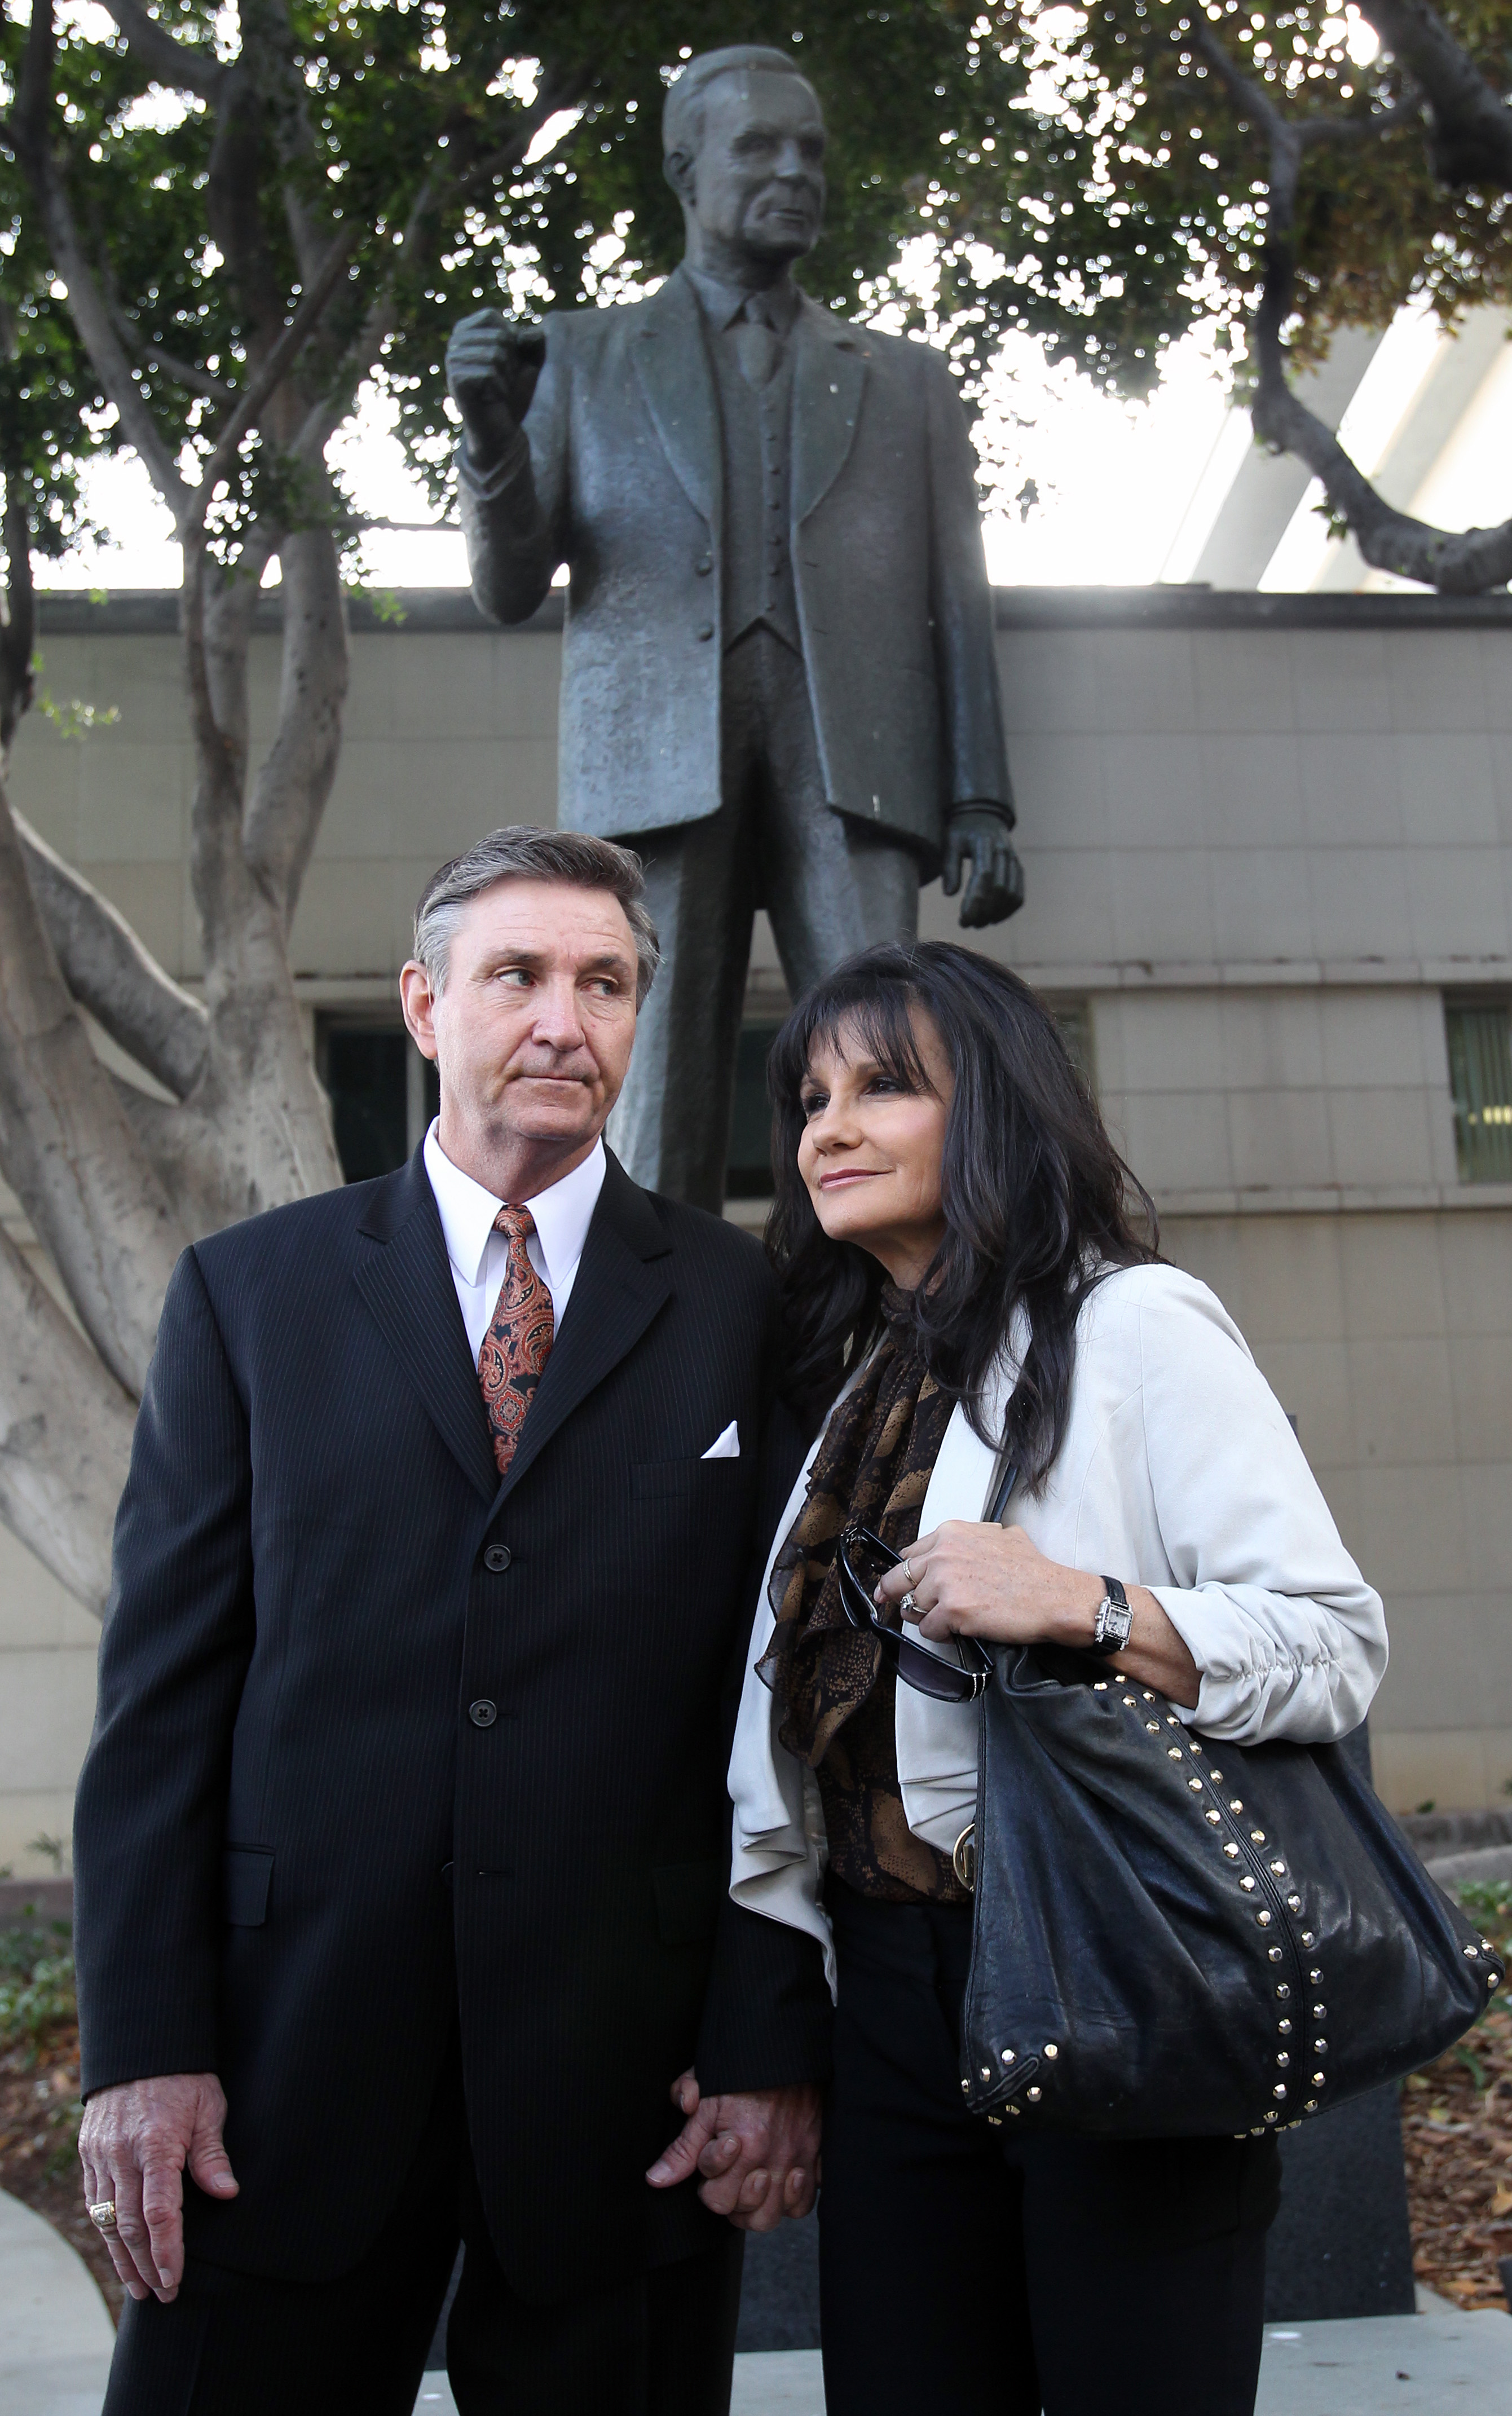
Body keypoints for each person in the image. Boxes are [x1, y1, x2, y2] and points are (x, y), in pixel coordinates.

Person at [72, 827, 831, 2416]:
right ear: (425, 1007)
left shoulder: (742, 1305)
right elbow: (160, 1706)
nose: (564, 1018)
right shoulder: (247, 1296)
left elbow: (783, 1700)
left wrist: (768, 2037)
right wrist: (145, 2044)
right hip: (286, 2073)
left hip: (633, 2080)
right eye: (519, 975)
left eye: (605, 982)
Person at [728, 940, 1388, 2416]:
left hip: (1112, 1971)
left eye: (884, 1087)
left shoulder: (1137, 1325)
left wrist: (1081, 1604)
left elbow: (1332, 1639)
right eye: (811, 1093)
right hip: (892, 1995)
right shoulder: (855, 1382)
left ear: (1000, 1112)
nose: (826, 1125)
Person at [446, 44, 1022, 1211]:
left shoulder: (905, 380)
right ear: (684, 165)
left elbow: (955, 599)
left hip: (855, 764)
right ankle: (649, 1349)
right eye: (760, 146)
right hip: (654, 768)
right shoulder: (581, 357)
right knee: (653, 1086)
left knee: (889, 1061)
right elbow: (509, 587)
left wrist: (981, 799)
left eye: (809, 149)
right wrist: (490, 434)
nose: (794, 170)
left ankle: (913, 1333)